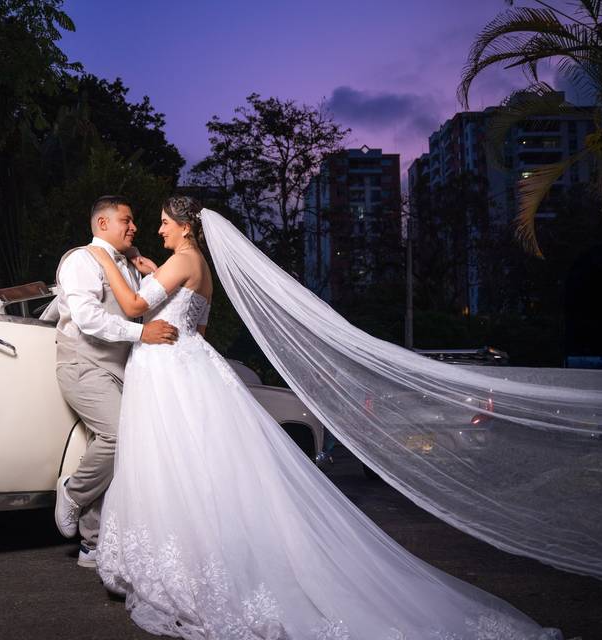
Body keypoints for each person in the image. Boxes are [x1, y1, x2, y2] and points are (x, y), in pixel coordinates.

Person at [84, 196, 562, 640]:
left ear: (185, 226)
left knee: (177, 466)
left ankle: (193, 567)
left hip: (169, 370)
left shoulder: (182, 259)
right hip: (185, 362)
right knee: (197, 468)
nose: (158, 228)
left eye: (166, 222)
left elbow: (134, 306)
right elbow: (198, 327)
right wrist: (152, 273)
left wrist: (106, 259)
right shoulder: (197, 266)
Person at [50, 195, 180, 568]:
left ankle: (91, 544)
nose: (134, 226)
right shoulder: (81, 260)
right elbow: (89, 319)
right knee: (118, 437)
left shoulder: (130, 264)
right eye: (127, 220)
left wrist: (150, 274)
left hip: (123, 370)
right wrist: (142, 336)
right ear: (103, 224)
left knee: (120, 454)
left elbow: (141, 307)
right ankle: (73, 491)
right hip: (83, 365)